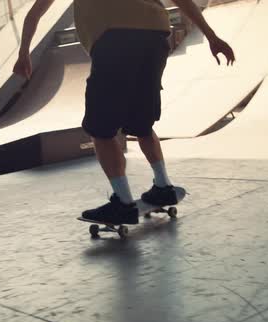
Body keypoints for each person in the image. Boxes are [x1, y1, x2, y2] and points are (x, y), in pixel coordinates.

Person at [13, 0, 235, 225]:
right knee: (142, 123)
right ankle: (163, 186)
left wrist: (24, 53)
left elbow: (34, 14)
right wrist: (211, 36)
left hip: (114, 38)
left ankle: (123, 202)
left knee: (101, 130)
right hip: (155, 36)